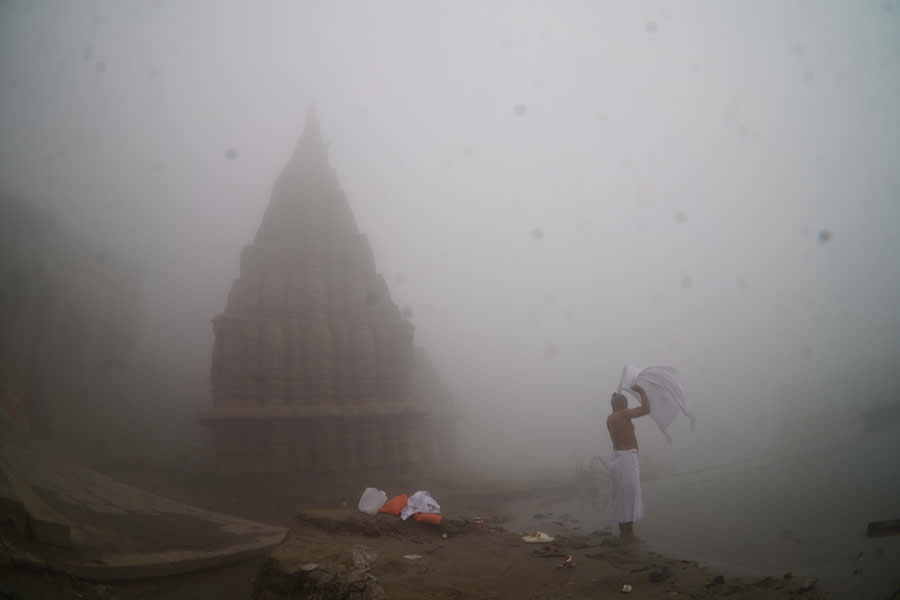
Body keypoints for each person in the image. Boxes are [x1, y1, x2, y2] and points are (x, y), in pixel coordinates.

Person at [607, 383, 650, 543]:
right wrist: (642, 391)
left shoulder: (610, 418)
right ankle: (629, 535)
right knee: (630, 495)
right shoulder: (623, 414)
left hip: (618, 457)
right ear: (623, 405)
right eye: (625, 403)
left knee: (621, 495)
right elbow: (646, 409)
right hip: (626, 459)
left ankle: (623, 533)